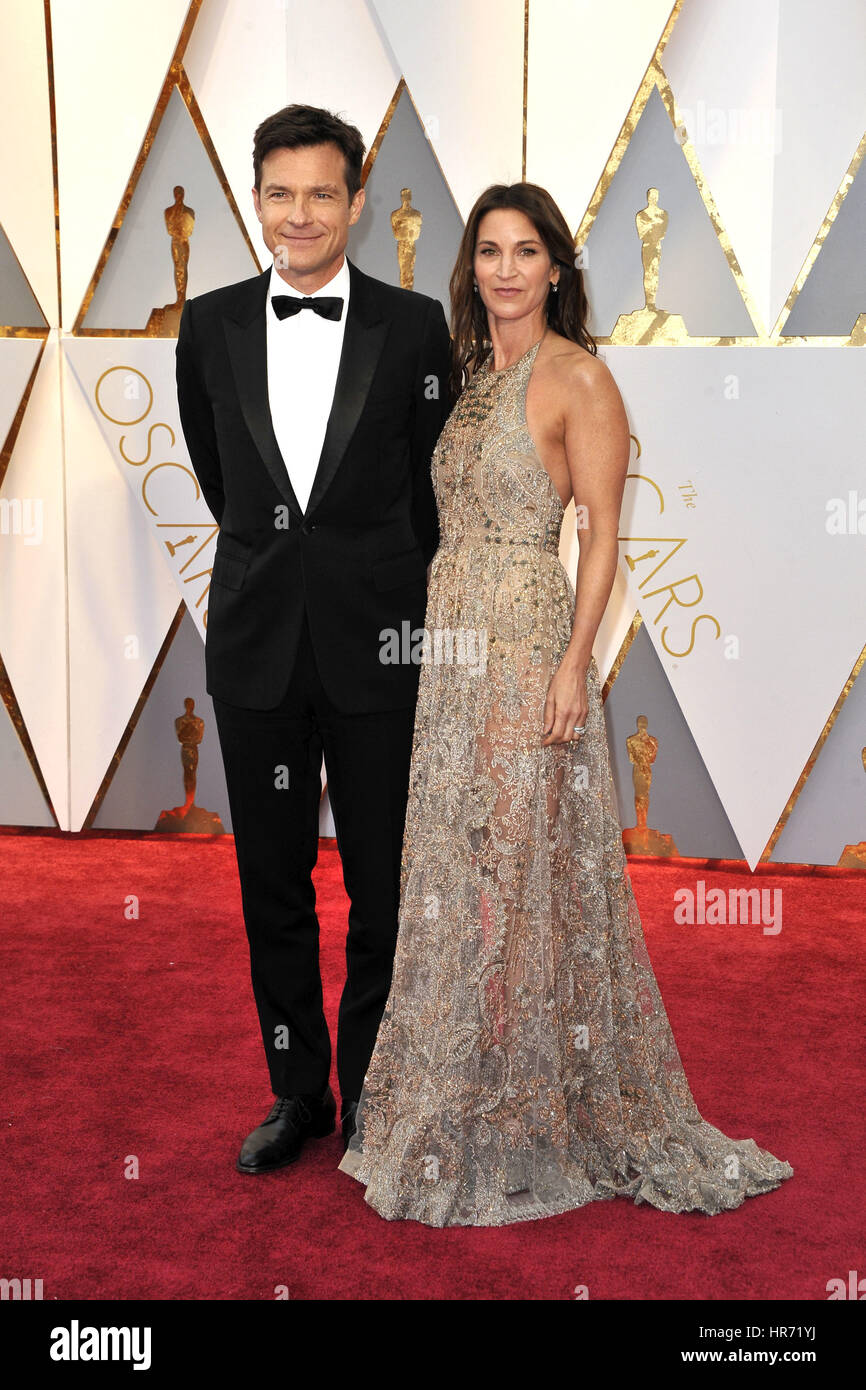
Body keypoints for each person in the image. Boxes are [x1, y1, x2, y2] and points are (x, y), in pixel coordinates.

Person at [338, 182, 794, 1225]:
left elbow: (597, 531)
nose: (504, 269)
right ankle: (455, 1094)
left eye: (524, 251)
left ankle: (537, 1102)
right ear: (472, 269)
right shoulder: (462, 378)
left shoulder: (579, 379)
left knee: (528, 867)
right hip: (451, 647)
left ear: (556, 268)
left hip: (528, 637)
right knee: (454, 870)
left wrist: (571, 661)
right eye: (488, 252)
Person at [175, 105, 451, 1174]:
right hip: (255, 649)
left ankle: (375, 1091)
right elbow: (221, 477)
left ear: (356, 201)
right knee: (271, 885)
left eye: (321, 193)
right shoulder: (209, 324)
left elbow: (431, 498)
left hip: (378, 647)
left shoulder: (414, 327)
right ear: (258, 201)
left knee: (381, 887)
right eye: (279, 193)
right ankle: (300, 1092)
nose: (300, 214)